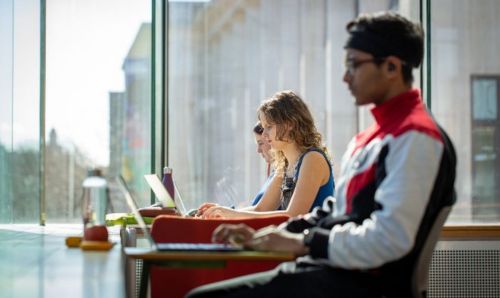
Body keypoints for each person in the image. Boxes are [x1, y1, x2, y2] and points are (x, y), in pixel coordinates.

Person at [188, 12, 456, 298]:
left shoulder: (415, 138)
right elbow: (336, 210)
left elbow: (389, 239)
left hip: (358, 286)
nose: (345, 76)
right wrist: (276, 235)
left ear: (391, 67)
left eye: (354, 65)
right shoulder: (368, 140)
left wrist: (305, 242)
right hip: (329, 273)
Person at [197, 90, 335, 219]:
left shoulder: (313, 159)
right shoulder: (285, 165)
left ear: (289, 124)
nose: (264, 134)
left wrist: (228, 213)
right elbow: (260, 209)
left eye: (269, 126)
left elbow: (292, 215)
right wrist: (221, 211)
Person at [251, 121, 275, 206]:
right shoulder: (276, 172)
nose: (258, 150)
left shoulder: (283, 173)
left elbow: (260, 210)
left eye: (260, 143)